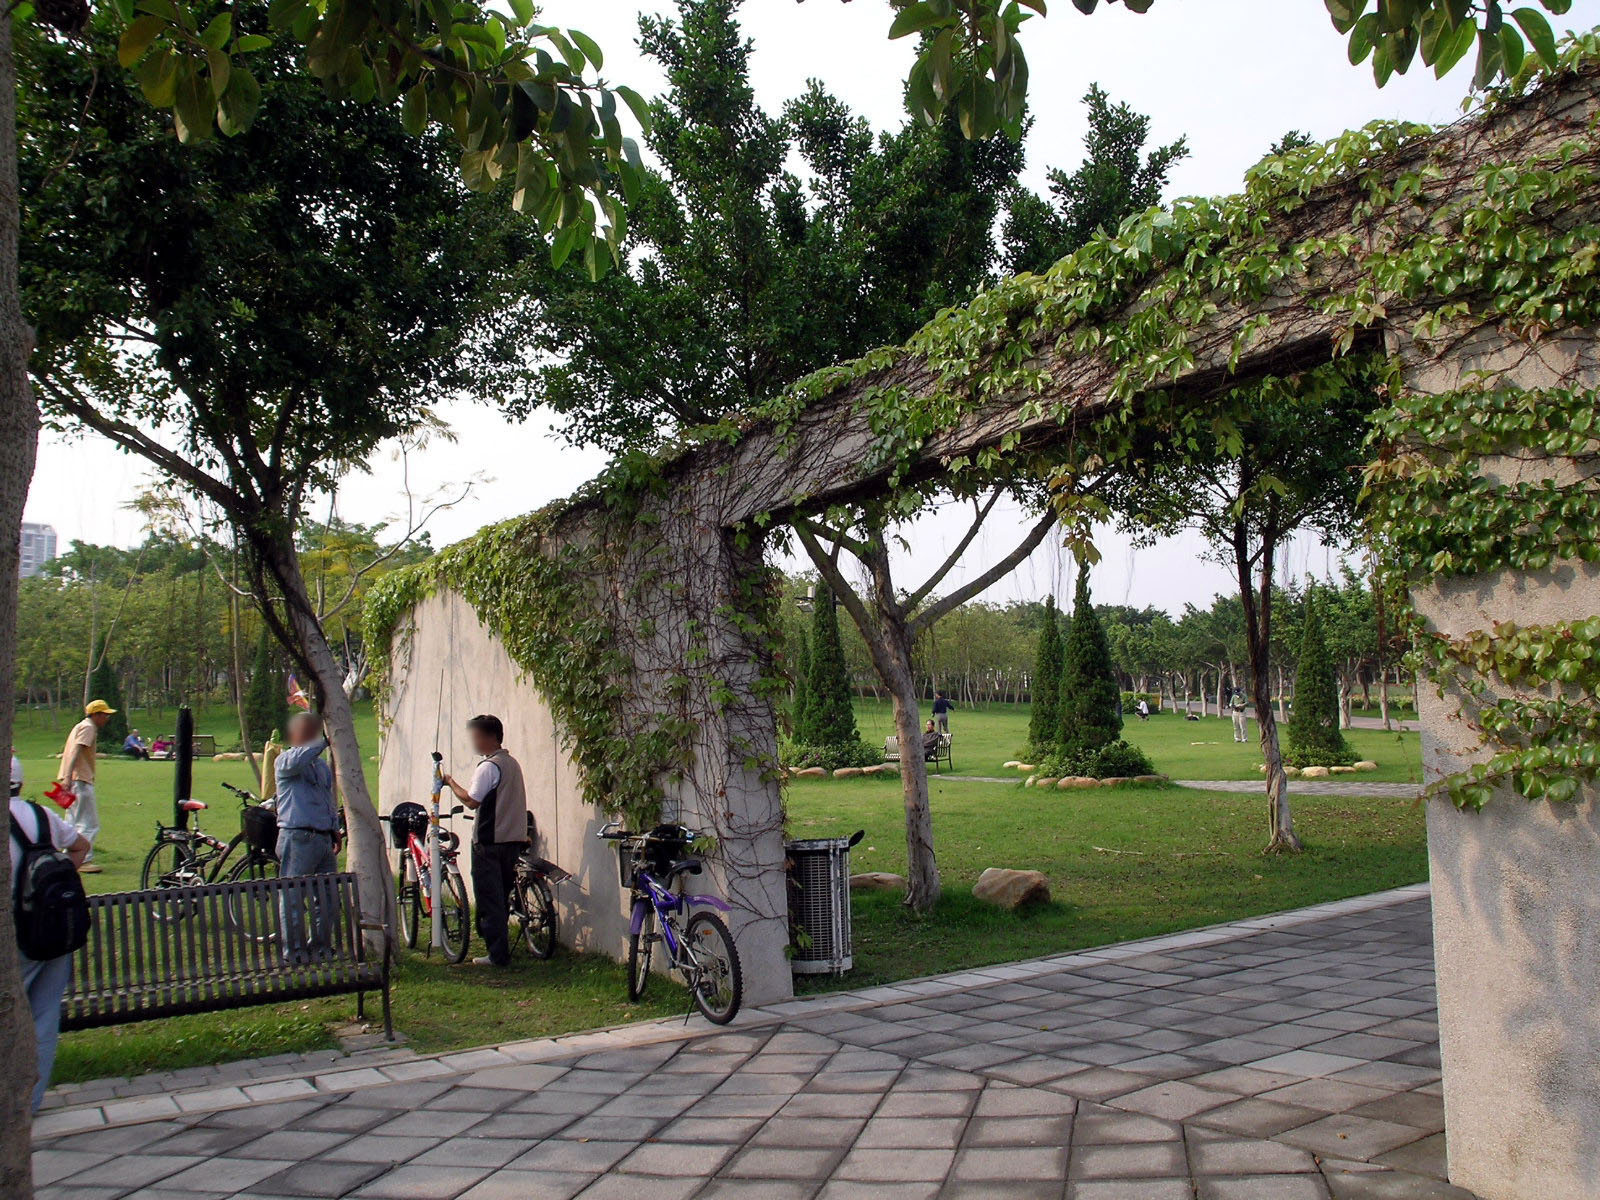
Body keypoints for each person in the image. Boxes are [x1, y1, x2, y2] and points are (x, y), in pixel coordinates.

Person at [10, 761, 91, 1112]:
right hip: (54, 928)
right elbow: (81, 845)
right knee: (44, 1015)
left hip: (14, 933)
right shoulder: (42, 816)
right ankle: (32, 1099)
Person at [443, 715, 528, 968]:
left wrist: (450, 782)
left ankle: (497, 955)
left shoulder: (489, 767)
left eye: (477, 736)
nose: (474, 742)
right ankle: (498, 948)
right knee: (501, 897)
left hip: (490, 842)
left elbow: (472, 800)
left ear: (491, 737)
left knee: (490, 900)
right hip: (512, 840)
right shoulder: (511, 763)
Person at [274, 712, 340, 962]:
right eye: (307, 731)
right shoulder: (285, 761)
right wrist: (323, 741)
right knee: (293, 897)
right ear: (294, 734)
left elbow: (327, 798)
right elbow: (298, 760)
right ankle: (294, 952)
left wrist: (334, 829)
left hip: (322, 838)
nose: (312, 735)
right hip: (297, 837)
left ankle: (320, 946)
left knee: (327, 898)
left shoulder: (320, 767)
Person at [57, 699, 114, 874]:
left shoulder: (80, 726)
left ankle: (69, 855)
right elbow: (76, 750)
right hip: (80, 779)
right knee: (89, 823)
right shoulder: (88, 727)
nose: (107, 718)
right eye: (105, 714)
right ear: (96, 715)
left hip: (73, 778)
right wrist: (68, 777)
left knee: (72, 820)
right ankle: (84, 859)